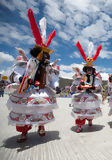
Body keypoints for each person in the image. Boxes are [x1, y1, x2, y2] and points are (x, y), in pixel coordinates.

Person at [6, 9, 58, 142]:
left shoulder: (48, 68)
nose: (47, 58)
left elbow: (52, 80)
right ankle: (24, 132)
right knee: (24, 111)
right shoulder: (28, 63)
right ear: (38, 54)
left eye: (48, 56)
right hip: (27, 89)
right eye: (44, 55)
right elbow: (14, 74)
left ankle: (41, 126)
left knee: (41, 109)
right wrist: (20, 79)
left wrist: (56, 86)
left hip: (42, 90)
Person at [70, 41, 103, 132]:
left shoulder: (95, 78)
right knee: (81, 111)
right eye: (87, 69)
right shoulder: (81, 76)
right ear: (85, 69)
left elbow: (99, 86)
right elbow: (74, 86)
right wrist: (79, 87)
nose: (89, 70)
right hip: (82, 95)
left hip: (91, 94)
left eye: (90, 69)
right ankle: (79, 126)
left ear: (92, 70)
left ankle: (90, 120)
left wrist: (93, 88)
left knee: (90, 109)